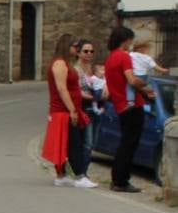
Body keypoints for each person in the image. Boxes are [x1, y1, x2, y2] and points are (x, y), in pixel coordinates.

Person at [40, 33, 94, 189]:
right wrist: (72, 110)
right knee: (73, 143)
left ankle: (62, 175)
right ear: (67, 46)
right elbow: (62, 88)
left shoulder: (64, 63)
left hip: (66, 110)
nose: (77, 49)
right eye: (75, 46)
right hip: (63, 111)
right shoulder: (60, 64)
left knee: (65, 143)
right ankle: (79, 176)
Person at [104, 25, 153, 192]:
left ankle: (118, 178)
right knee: (129, 144)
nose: (131, 44)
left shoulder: (110, 58)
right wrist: (145, 85)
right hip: (131, 105)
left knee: (125, 142)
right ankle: (121, 180)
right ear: (125, 40)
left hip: (120, 105)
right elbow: (131, 80)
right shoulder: (124, 57)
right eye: (130, 41)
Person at [74, 38, 108, 164]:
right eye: (86, 51)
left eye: (91, 51)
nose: (89, 54)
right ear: (78, 53)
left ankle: (84, 172)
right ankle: (81, 173)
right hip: (83, 108)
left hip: (97, 108)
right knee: (86, 143)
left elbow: (106, 81)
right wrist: (95, 97)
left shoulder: (95, 68)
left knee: (92, 143)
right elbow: (76, 91)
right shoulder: (76, 70)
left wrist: (105, 88)